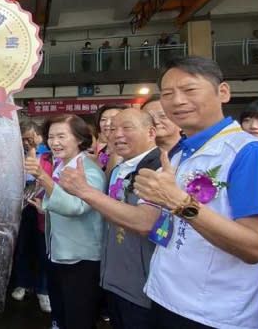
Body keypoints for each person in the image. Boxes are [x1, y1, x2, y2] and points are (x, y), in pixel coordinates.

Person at [133, 56, 258, 329]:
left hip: (212, 313)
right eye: (167, 94)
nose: (177, 101)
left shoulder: (248, 152)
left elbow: (256, 246)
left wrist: (179, 202)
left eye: (190, 90)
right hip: (164, 295)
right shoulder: (180, 152)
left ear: (223, 92)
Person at [58, 109, 162, 329]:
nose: (117, 134)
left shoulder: (158, 167)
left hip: (143, 287)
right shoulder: (120, 168)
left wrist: (85, 191)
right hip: (116, 279)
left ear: (151, 132)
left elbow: (145, 223)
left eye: (127, 128)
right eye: (113, 129)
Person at [25, 114, 106, 329]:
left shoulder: (88, 170)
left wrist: (43, 176)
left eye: (62, 136)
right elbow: (63, 202)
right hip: (60, 254)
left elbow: (75, 207)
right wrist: (46, 208)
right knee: (61, 314)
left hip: (81, 260)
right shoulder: (62, 165)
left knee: (78, 318)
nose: (55, 142)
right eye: (51, 137)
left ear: (80, 139)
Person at [11, 121, 52, 314]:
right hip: (24, 208)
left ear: (38, 134)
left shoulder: (50, 154)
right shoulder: (17, 154)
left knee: (44, 251)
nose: (27, 142)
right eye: (23, 139)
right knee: (23, 247)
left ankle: (43, 290)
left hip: (46, 209)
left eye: (29, 138)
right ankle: (22, 283)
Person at [95, 104, 127, 173]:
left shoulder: (128, 151)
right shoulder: (101, 152)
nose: (107, 123)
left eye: (113, 119)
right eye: (103, 120)